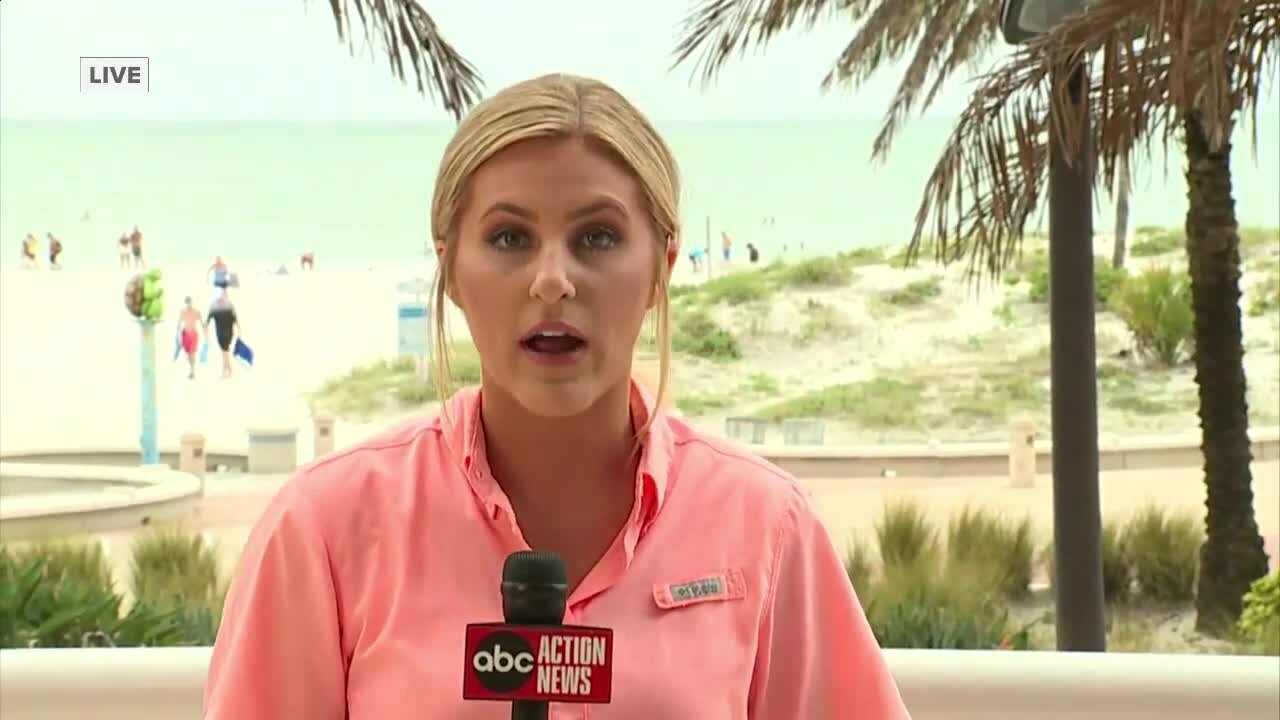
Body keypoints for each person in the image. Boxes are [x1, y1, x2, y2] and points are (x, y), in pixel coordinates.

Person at [204, 74, 908, 719]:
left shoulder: (765, 528)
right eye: (509, 237)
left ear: (661, 267)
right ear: (450, 267)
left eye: (597, 237)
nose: (552, 281)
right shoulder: (325, 530)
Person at [205, 294, 239, 379]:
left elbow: (207, 320)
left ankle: (225, 372)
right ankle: (230, 370)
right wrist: (239, 330)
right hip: (229, 333)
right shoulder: (229, 307)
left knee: (224, 352)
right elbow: (235, 320)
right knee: (225, 352)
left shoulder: (216, 308)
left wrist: (205, 326)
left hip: (222, 334)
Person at [178, 297, 203, 379]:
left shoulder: (196, 312)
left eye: (189, 302)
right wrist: (178, 336)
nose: (188, 304)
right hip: (185, 334)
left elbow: (202, 322)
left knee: (192, 353)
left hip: (193, 334)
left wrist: (206, 333)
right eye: (187, 302)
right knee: (188, 354)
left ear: (191, 302)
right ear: (185, 303)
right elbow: (179, 324)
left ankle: (192, 371)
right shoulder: (182, 312)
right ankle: (191, 368)